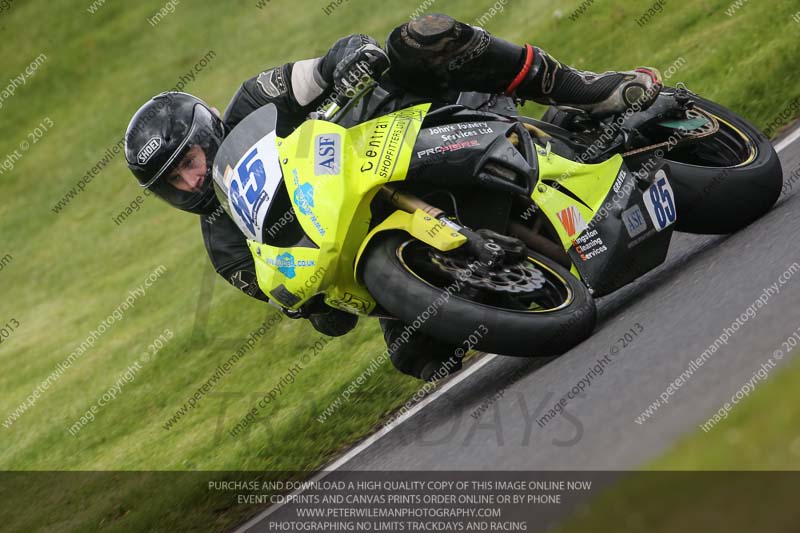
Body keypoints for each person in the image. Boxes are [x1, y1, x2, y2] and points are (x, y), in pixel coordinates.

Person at [124, 14, 661, 382]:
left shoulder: (251, 100)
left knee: (420, 36)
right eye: (173, 183)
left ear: (207, 130)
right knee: (419, 356)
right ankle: (505, 273)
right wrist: (311, 307)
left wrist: (349, 60)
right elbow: (305, 303)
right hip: (369, 236)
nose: (191, 182)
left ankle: (583, 89)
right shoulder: (225, 244)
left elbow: (324, 65)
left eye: (189, 163)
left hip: (398, 127)